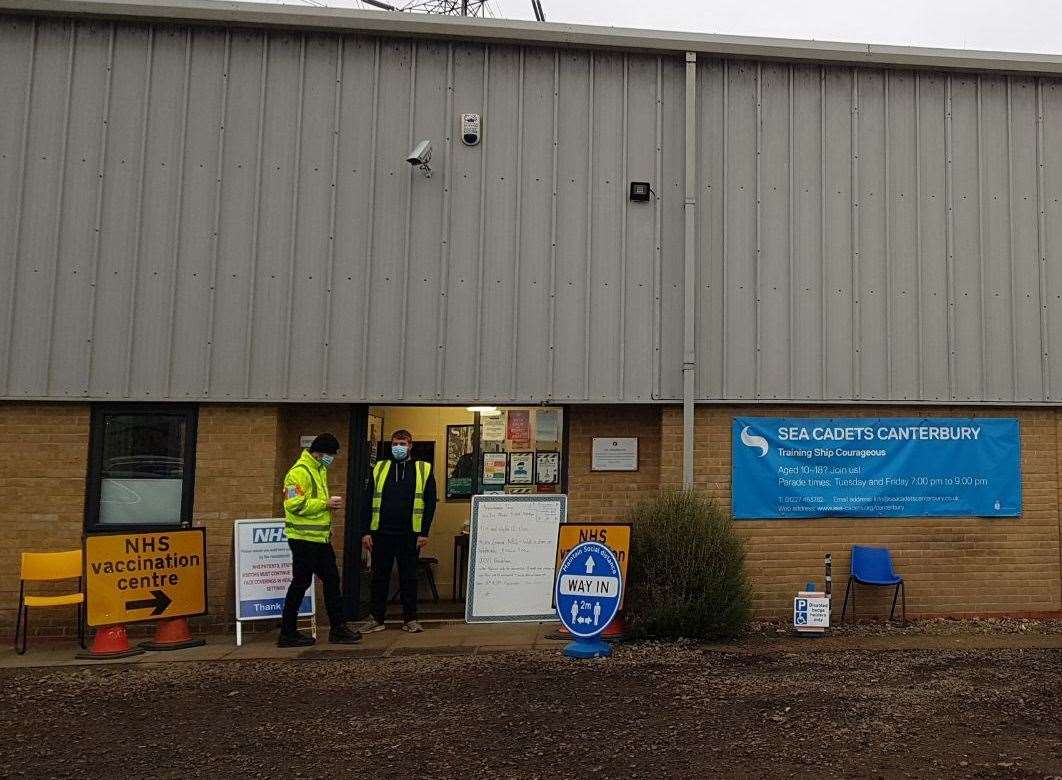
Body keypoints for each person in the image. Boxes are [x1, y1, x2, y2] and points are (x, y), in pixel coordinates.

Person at [278, 433, 362, 648]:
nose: (331, 459)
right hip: (303, 539)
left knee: (331, 580)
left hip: (318, 539)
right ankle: (288, 632)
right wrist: (325, 504)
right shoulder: (298, 472)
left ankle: (337, 627)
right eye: (330, 454)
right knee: (301, 583)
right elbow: (292, 504)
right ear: (321, 452)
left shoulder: (318, 469)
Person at [359, 429, 437, 634]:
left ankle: (410, 619)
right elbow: (367, 500)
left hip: (410, 533)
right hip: (381, 532)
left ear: (411, 445)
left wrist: (424, 532)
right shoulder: (380, 468)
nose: (398, 448)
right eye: (395, 444)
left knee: (409, 577)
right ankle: (376, 618)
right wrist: (366, 531)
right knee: (379, 577)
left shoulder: (423, 469)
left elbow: (430, 503)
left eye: (403, 444)